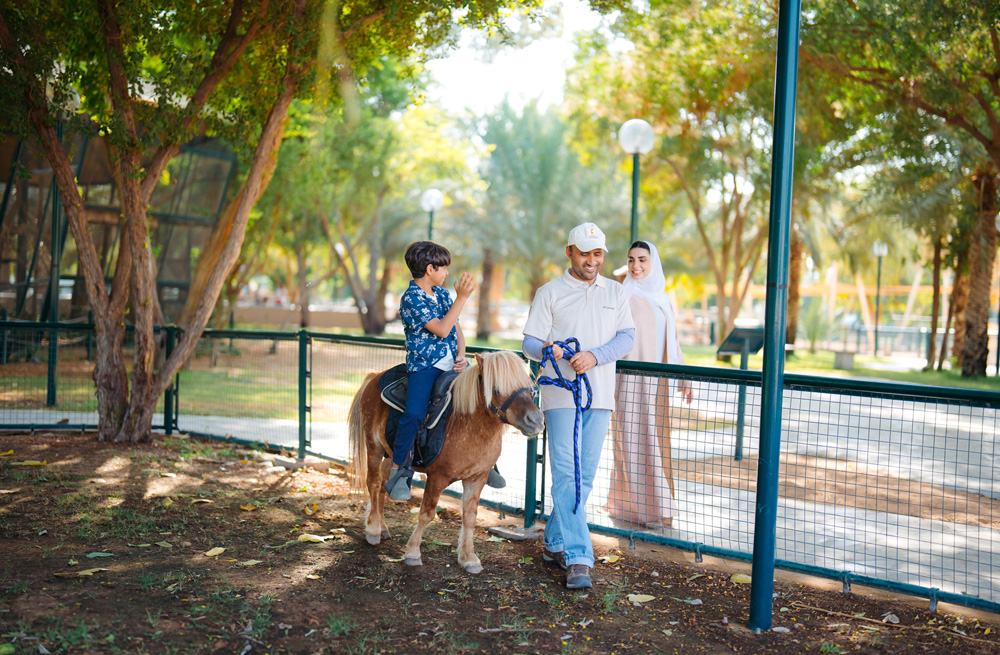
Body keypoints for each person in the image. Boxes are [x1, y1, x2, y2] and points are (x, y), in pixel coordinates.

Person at [521, 222, 634, 589]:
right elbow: (529, 342)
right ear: (569, 252)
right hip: (560, 397)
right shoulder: (549, 293)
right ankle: (579, 557)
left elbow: (627, 337)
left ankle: (555, 541)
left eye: (597, 253)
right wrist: (547, 349)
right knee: (567, 475)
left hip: (600, 396)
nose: (592, 261)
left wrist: (596, 356)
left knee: (584, 477)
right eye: (585, 253)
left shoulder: (616, 292)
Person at [605, 240, 693, 530]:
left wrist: (683, 376)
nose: (636, 266)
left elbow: (673, 341)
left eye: (642, 259)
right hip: (632, 380)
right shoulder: (624, 295)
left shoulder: (662, 299)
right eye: (631, 260)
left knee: (656, 440)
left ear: (653, 262)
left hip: (658, 384)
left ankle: (651, 508)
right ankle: (640, 509)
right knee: (634, 441)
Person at [387, 241, 476, 501]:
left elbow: (456, 329)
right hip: (425, 366)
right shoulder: (411, 298)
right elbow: (441, 329)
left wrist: (461, 356)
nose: (447, 273)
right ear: (430, 269)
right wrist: (462, 298)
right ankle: (399, 471)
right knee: (414, 413)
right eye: (444, 268)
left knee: (479, 398)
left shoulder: (443, 295)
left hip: (452, 362)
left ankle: (485, 462)